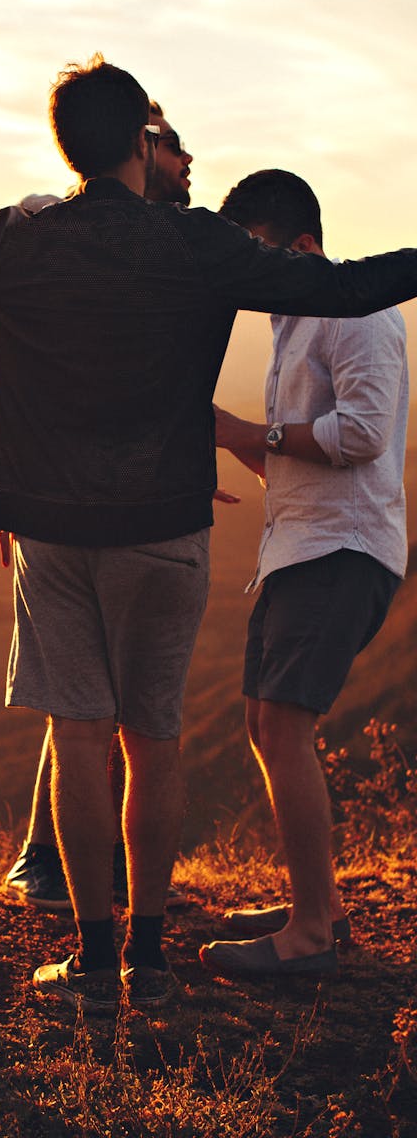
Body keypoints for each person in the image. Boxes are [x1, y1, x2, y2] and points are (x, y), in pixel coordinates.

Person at [0, 53, 417, 1012]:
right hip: (166, 528)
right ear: (141, 141)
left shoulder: (23, 233)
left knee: (79, 737)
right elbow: (344, 286)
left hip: (51, 528)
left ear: (67, 145)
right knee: (155, 742)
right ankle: (150, 962)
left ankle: (91, 967)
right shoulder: (198, 244)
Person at [0, 103, 195, 912]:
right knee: (86, 704)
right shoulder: (54, 232)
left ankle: (71, 870)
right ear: (136, 149)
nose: (190, 161)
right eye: (173, 144)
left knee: (96, 701)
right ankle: (50, 862)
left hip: (118, 501)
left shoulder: (155, 249)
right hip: (62, 505)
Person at [198, 170, 407, 979]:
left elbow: (358, 436)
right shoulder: (294, 322)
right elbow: (293, 452)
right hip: (301, 546)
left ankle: (312, 932)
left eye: (257, 252)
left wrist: (252, 429)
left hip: (342, 552)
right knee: (265, 723)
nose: (248, 273)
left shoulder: (356, 315)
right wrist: (224, 438)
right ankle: (316, 904)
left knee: (284, 726)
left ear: (306, 245)